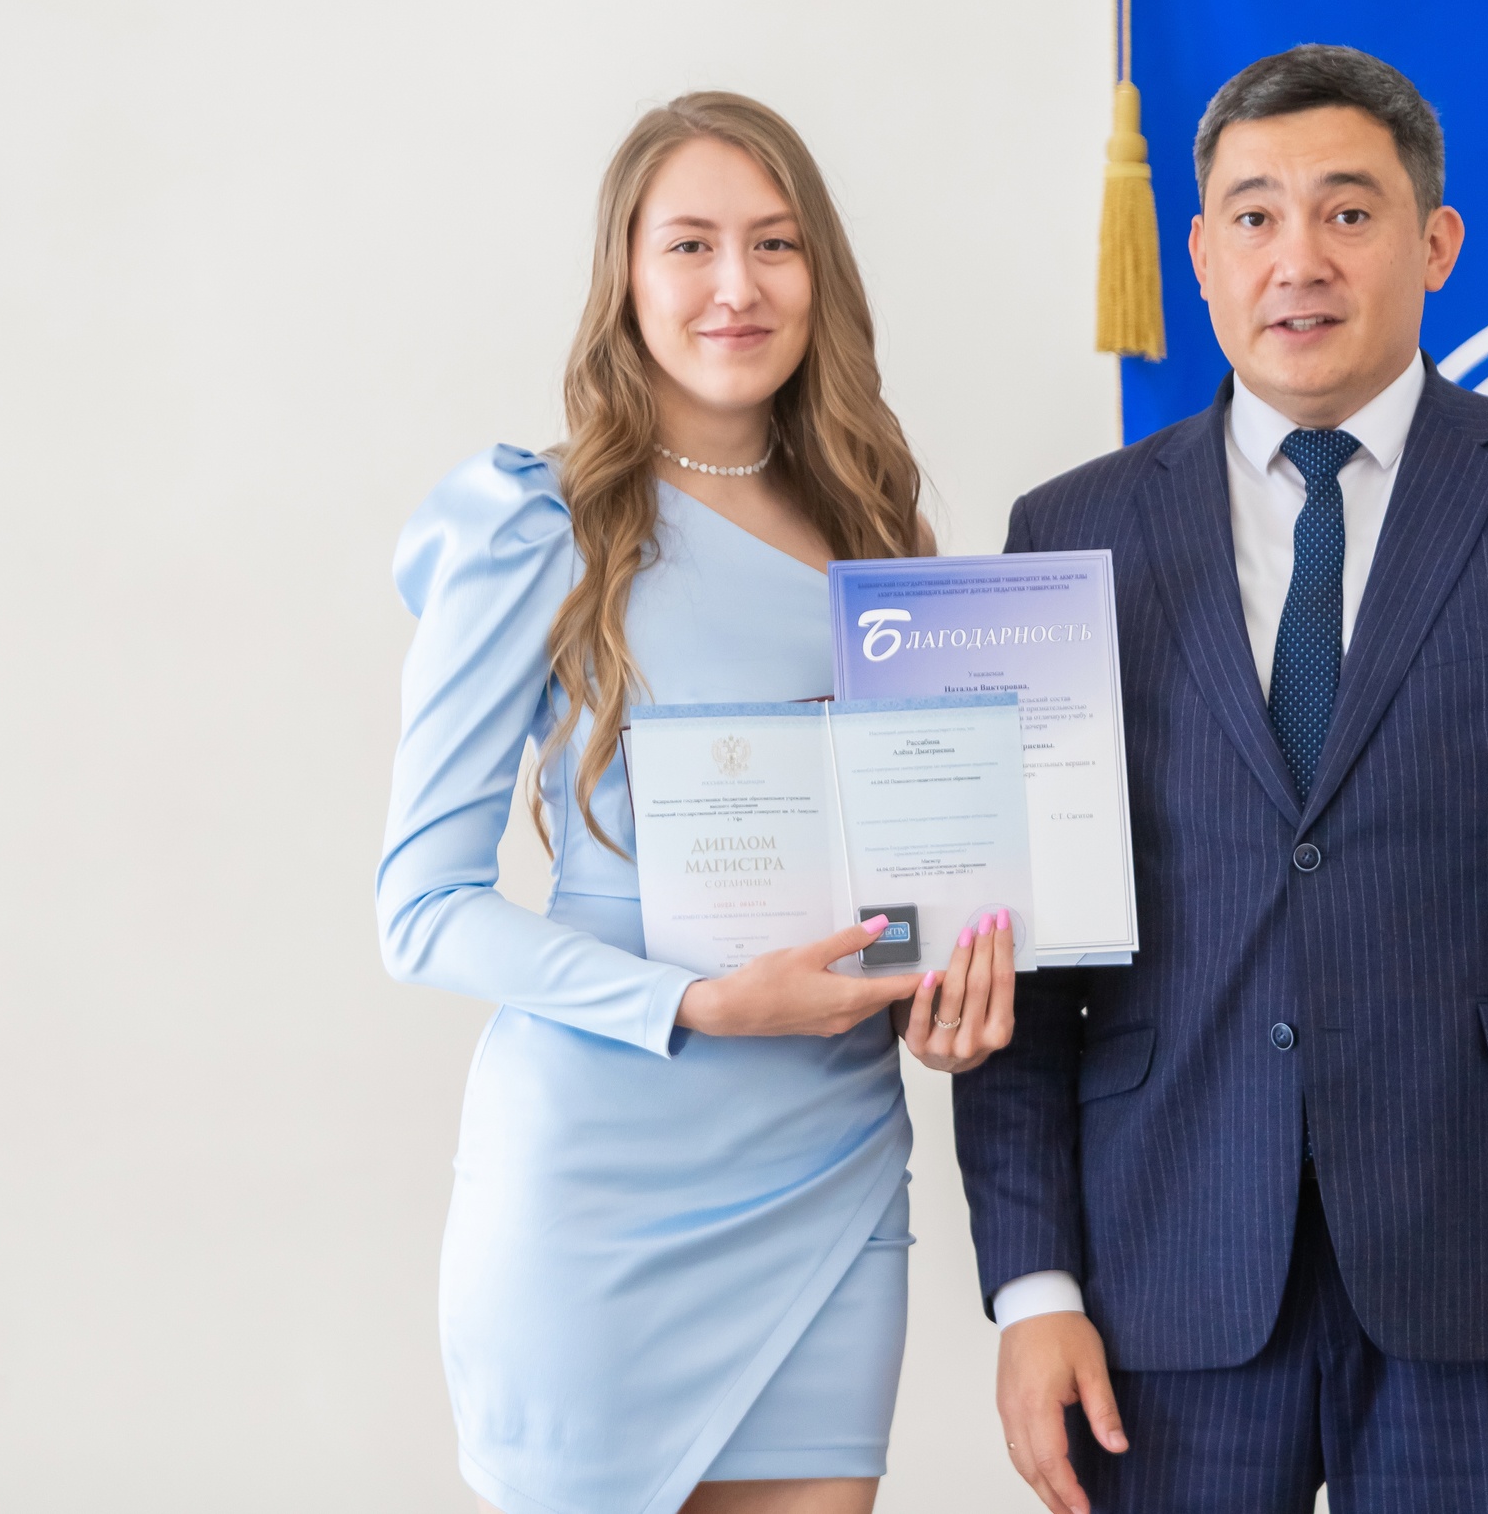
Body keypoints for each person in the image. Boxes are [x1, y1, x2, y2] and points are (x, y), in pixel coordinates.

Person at [954, 45, 1488, 1514]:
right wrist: (1032, 1285)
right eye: (1254, 217)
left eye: (1348, 212)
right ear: (1199, 257)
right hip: (1162, 1284)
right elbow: (1015, 955)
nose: (1300, 259)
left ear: (1435, 242)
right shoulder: (1071, 534)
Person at [376, 91, 1020, 1514]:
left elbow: (919, 879)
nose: (738, 285)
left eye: (776, 244)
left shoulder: (885, 532)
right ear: (625, 274)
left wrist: (943, 996)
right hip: (599, 1188)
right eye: (690, 245)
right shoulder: (534, 525)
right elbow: (421, 912)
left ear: (821, 272)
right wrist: (696, 1005)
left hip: (829, 1166)